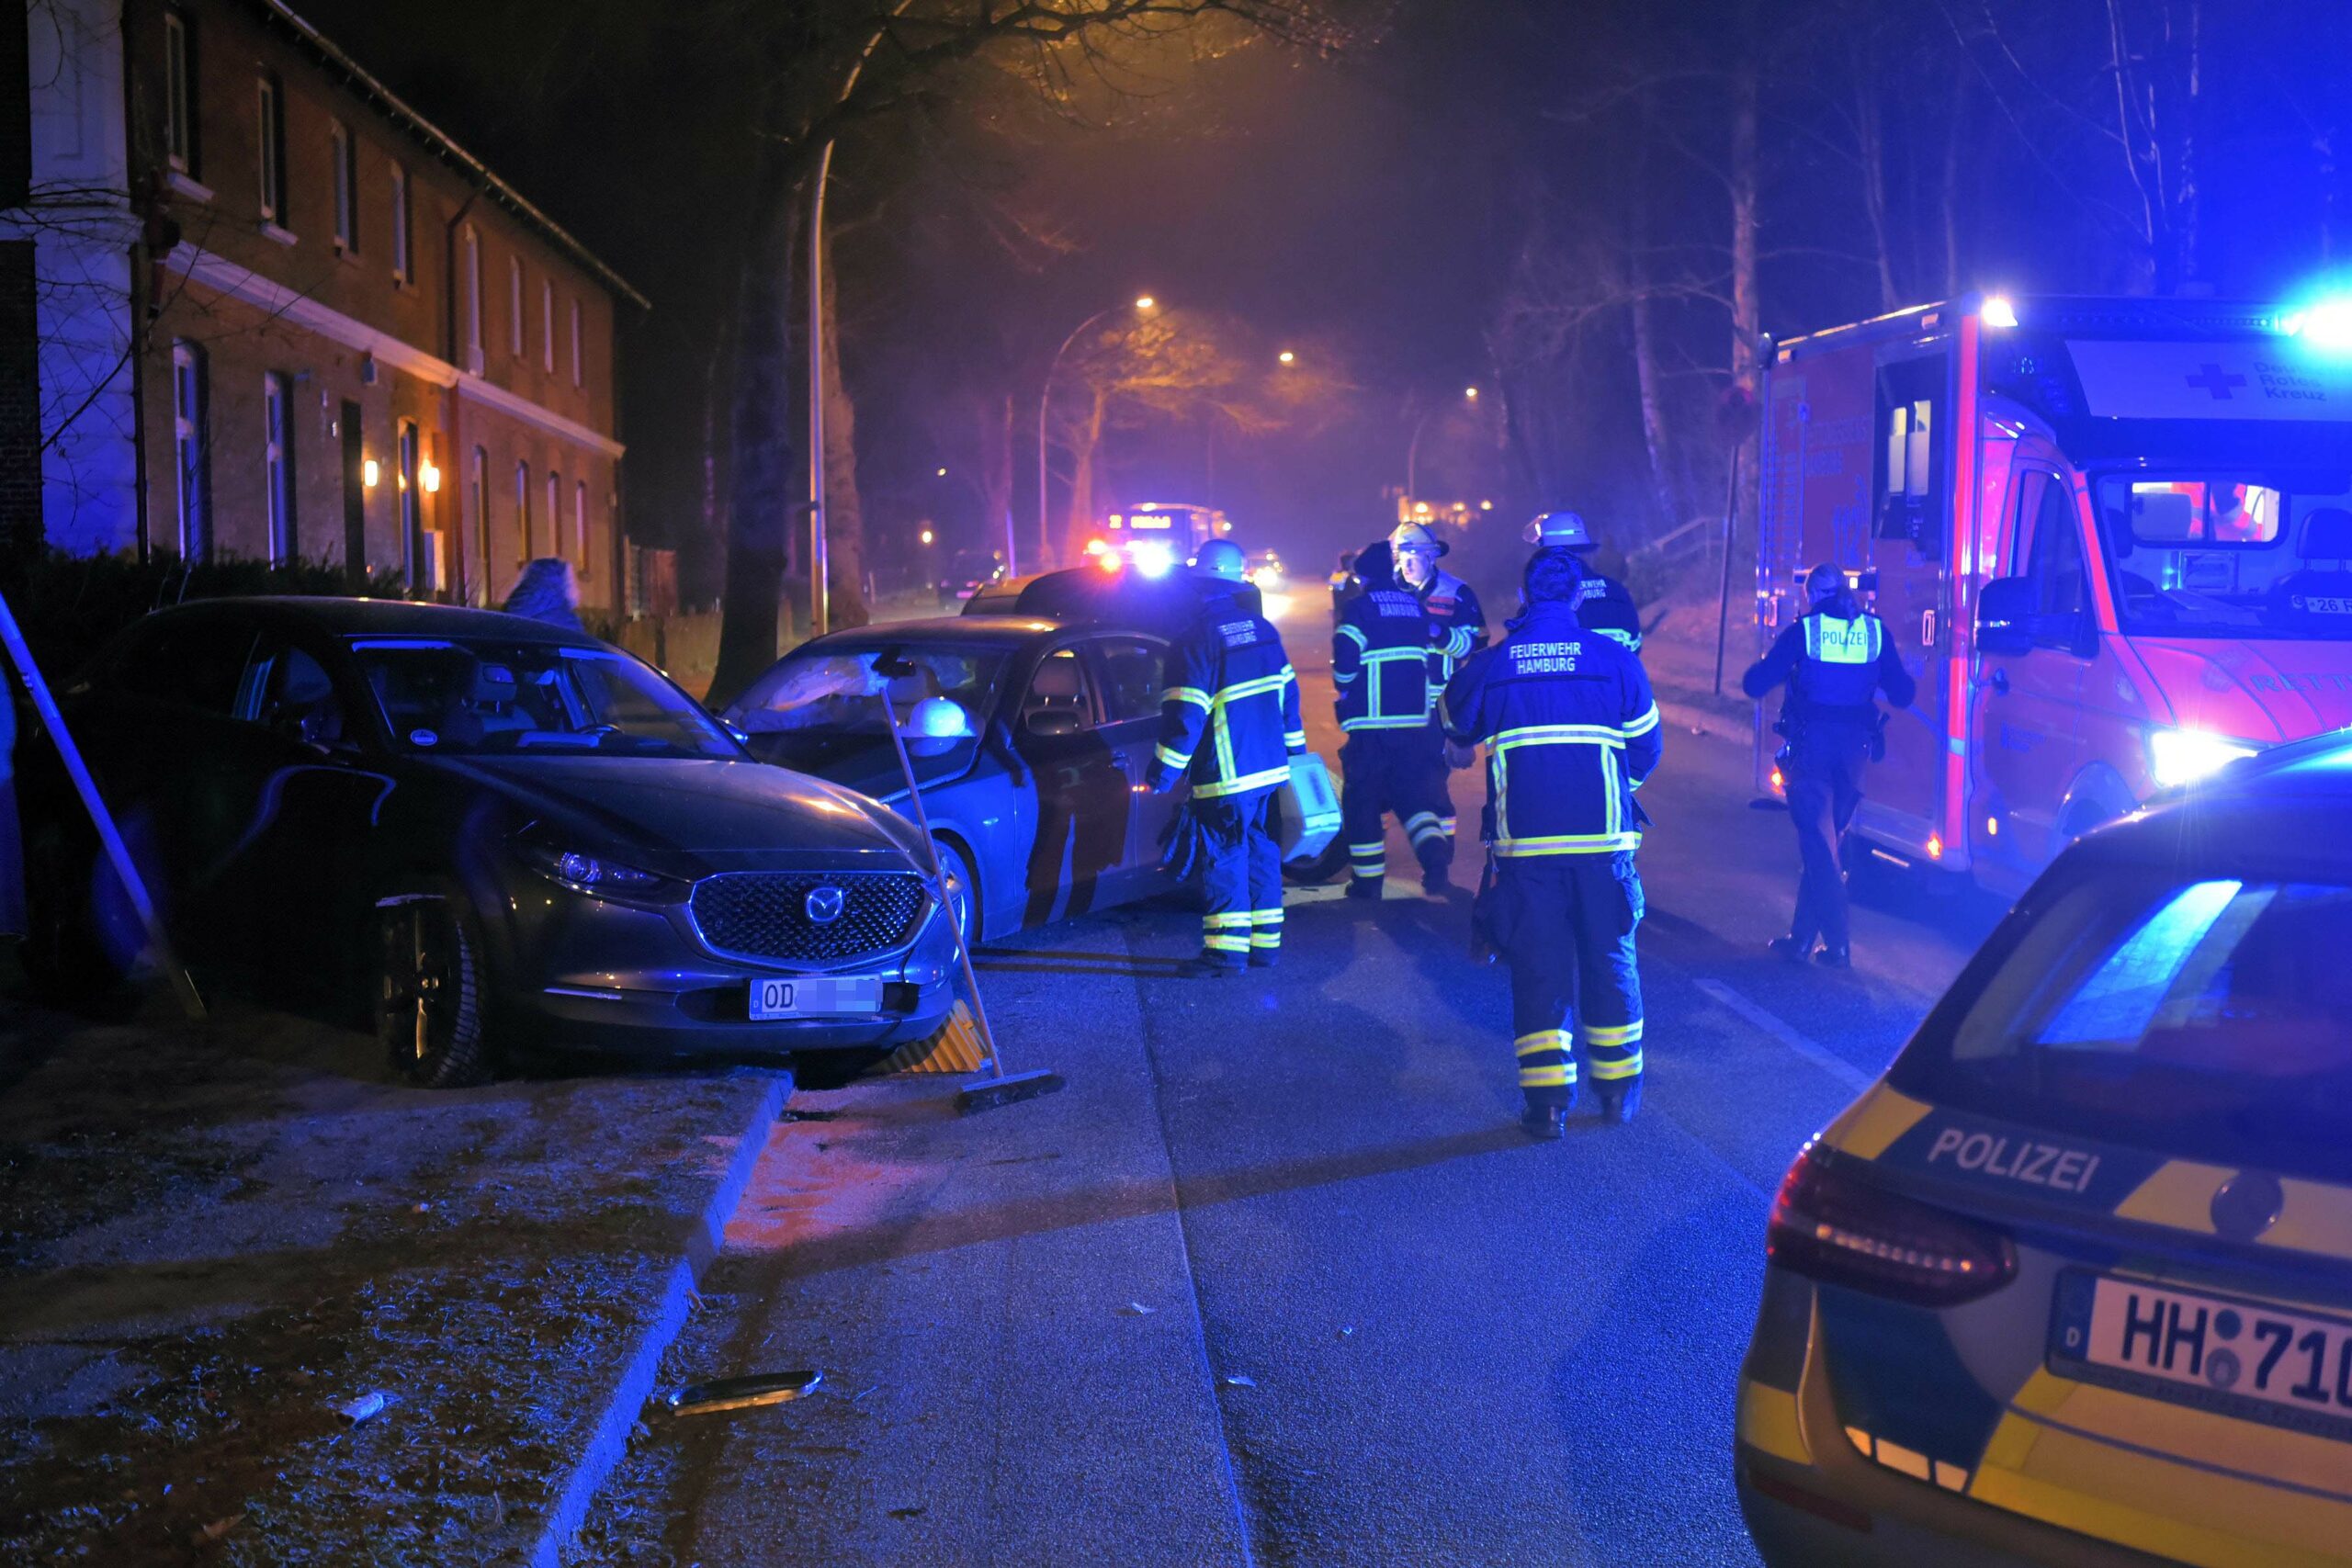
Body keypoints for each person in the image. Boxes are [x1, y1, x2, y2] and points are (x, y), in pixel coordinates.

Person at [1444, 547, 1662, 1134]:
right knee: (1610, 960)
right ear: (1575, 598)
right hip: (1602, 848)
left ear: (1525, 598)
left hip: (1529, 850)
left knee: (1539, 969)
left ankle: (1546, 1107)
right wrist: (1615, 787)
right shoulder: (1615, 660)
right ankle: (1617, 1095)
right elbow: (1646, 748)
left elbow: (1455, 723)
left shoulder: (1497, 663)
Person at [1741, 562, 1916, 969]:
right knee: (1824, 843)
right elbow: (1903, 693)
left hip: (1813, 750)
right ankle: (1801, 939)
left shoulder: (1805, 631)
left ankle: (1838, 945)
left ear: (1813, 595)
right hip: (1854, 752)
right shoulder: (1874, 631)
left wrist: (1781, 666)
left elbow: (1754, 683)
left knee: (1819, 848)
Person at [1148, 538, 1307, 975]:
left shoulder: (1194, 640)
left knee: (1224, 856)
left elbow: (1186, 717)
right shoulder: (1264, 630)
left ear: (1197, 586)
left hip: (1226, 775)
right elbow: (1289, 697)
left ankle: (1225, 953)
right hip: (1269, 770)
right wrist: (1296, 753)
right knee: (1261, 849)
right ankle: (1266, 947)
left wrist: (1163, 773)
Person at [1332, 540, 1453, 897]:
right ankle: (1436, 863)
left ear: (1363, 576)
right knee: (1414, 799)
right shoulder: (1415, 607)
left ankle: (1368, 885)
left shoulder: (1360, 608)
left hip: (1371, 727)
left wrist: (1345, 691)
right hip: (1414, 725)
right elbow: (1430, 657)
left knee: (1362, 802)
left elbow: (1346, 662)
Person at [1391, 519, 1486, 850]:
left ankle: (1439, 858)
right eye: (1404, 555)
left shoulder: (1456, 593)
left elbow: (1474, 647)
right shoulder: (1384, 594)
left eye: (1417, 555)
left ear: (1433, 557)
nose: (1410, 562)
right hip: (1392, 709)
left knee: (1432, 783)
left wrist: (1438, 633)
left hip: (1438, 707)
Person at [1522, 511, 1642, 652]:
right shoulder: (1616, 590)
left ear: (1546, 552)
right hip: (1614, 673)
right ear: (1582, 548)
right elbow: (1634, 646)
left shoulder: (1545, 598)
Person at [502, 558, 586, 633]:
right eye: (571, 583)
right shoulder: (566, 623)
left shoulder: (508, 616)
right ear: (558, 587)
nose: (578, 591)